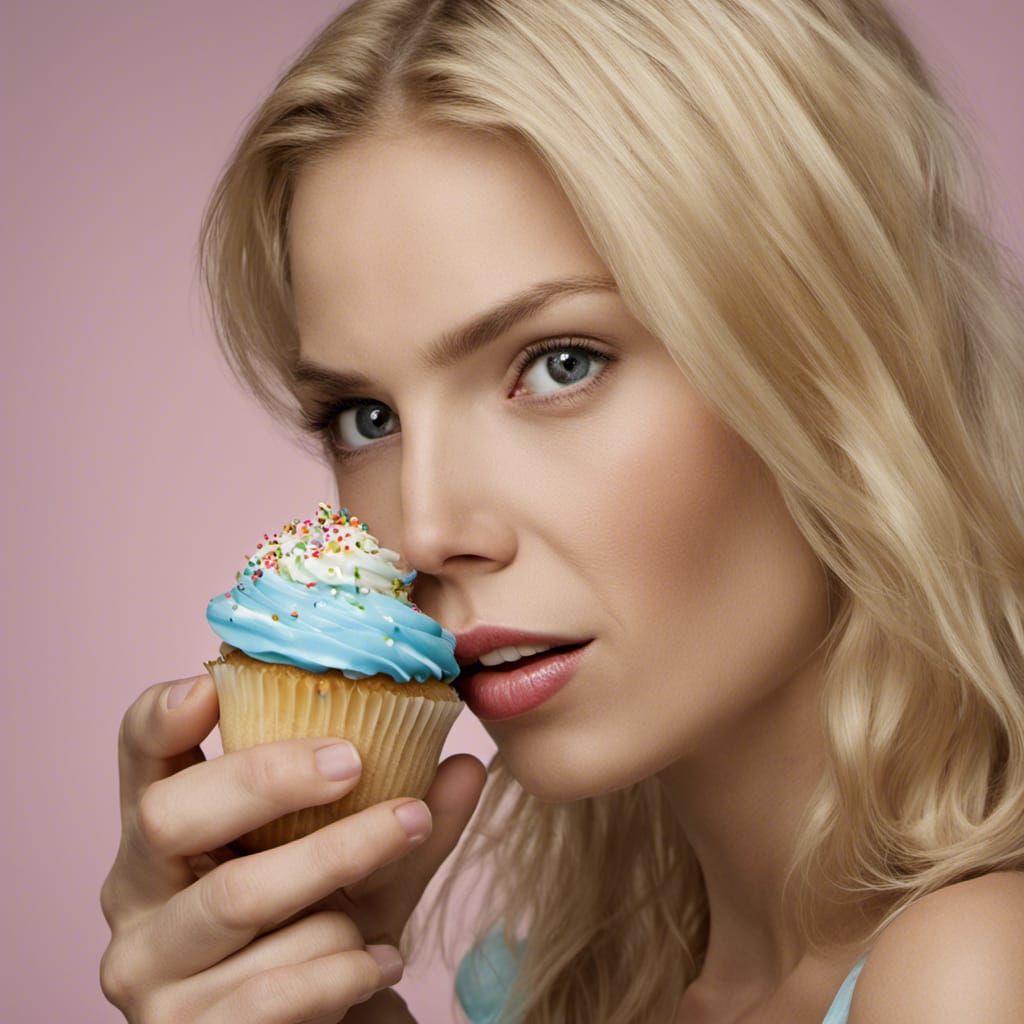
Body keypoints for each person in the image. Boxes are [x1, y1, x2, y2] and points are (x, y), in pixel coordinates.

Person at [99, 1, 1024, 1021]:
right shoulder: (544, 991)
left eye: (559, 363)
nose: (423, 530)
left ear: (839, 354)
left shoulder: (977, 968)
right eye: (367, 417)